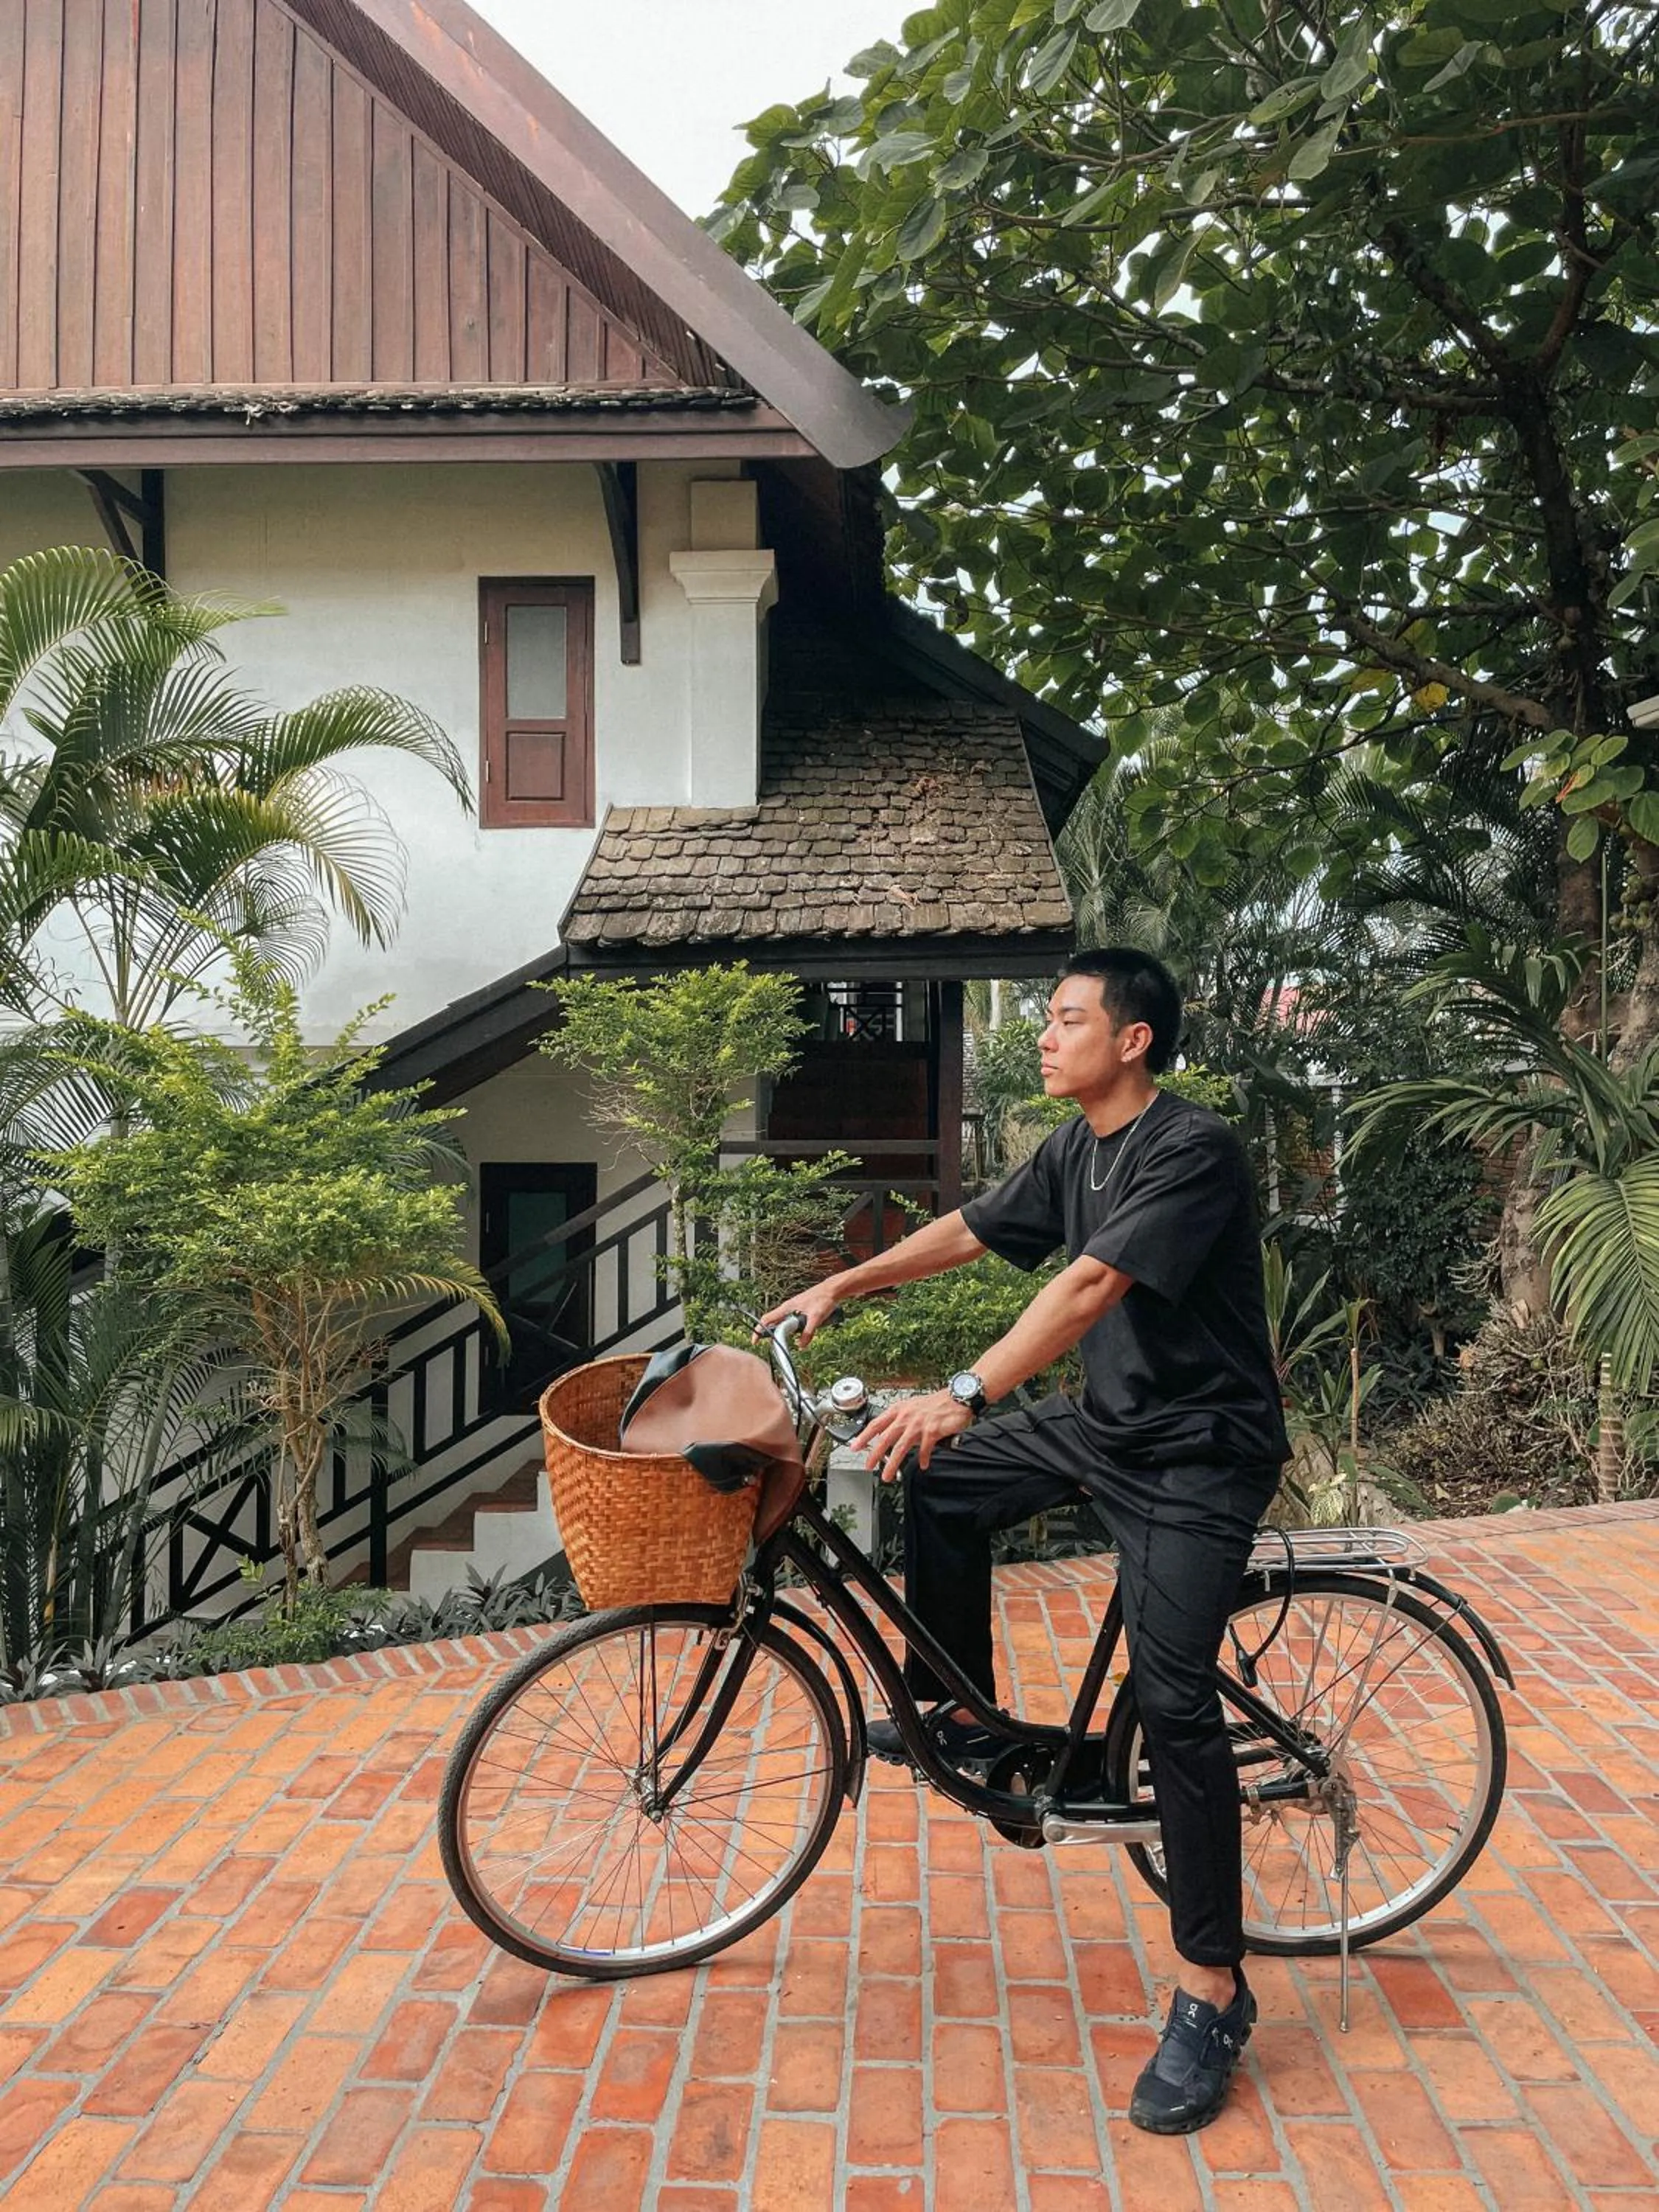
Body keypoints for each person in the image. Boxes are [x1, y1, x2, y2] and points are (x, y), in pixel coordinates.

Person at [759, 947, 1287, 2135]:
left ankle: (1211, 1988)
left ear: (1133, 1038)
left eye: (1065, 1021)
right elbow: (972, 1229)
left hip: (1196, 1454)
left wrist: (964, 1386)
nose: (1044, 1040)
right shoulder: (1074, 1147)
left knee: (1172, 1698)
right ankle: (965, 1716)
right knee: (935, 1481)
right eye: (1046, 1021)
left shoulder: (1188, 1149)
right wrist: (848, 1284)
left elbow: (1090, 1287)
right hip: (1108, 1426)